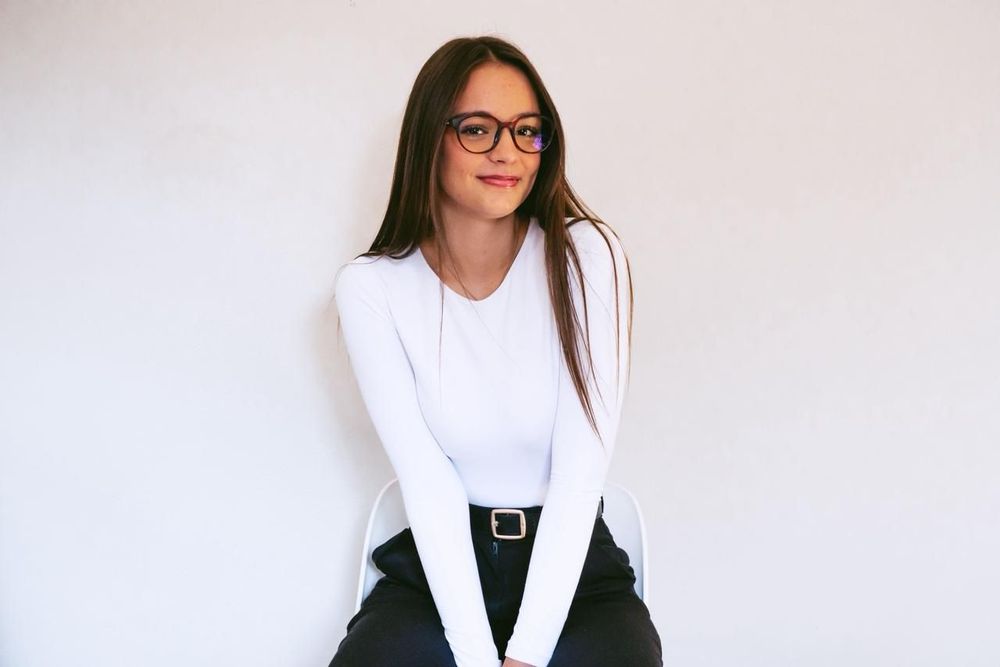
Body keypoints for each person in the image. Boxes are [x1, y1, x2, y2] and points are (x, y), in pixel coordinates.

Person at [329, 36, 662, 667]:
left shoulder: (588, 258)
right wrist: (478, 656)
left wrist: (526, 654)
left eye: (527, 130)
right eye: (478, 129)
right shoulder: (372, 287)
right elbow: (428, 483)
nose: (507, 151)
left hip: (574, 575)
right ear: (429, 137)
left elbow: (580, 473)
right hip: (439, 572)